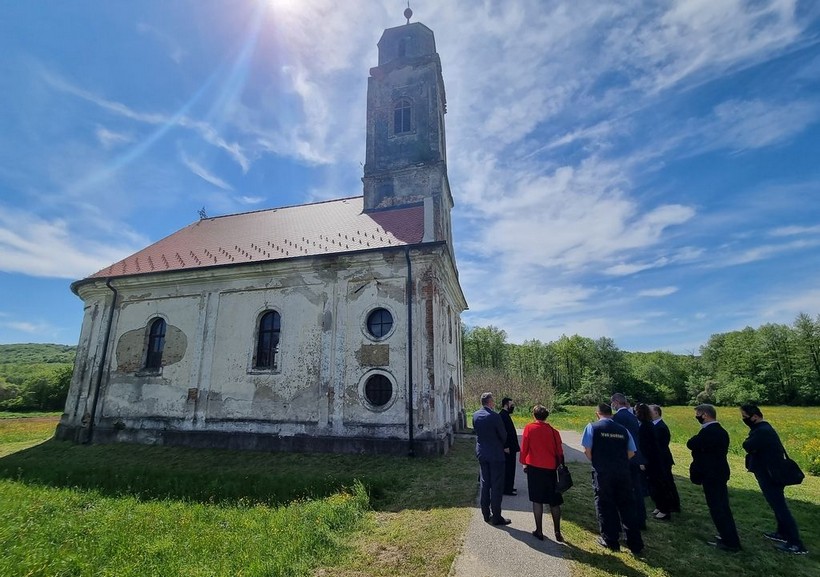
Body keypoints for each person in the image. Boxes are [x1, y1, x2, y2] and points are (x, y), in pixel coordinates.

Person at [740, 404, 808, 554]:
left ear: (755, 416)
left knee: (780, 507)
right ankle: (782, 533)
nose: (743, 419)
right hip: (771, 473)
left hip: (770, 475)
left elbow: (747, 445)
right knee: (777, 505)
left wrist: (750, 445)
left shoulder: (762, 431)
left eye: (745, 416)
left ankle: (795, 543)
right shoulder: (763, 429)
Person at [581, 403, 644, 555]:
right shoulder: (623, 430)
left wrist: (598, 461)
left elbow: (586, 450)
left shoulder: (592, 427)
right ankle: (635, 543)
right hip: (622, 472)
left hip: (603, 473)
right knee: (627, 506)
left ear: (598, 414)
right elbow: (631, 452)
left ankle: (610, 540)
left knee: (604, 505)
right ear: (611, 414)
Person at [686, 404, 741, 552]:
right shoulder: (720, 431)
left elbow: (691, 443)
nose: (696, 416)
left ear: (705, 415)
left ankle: (729, 541)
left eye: (698, 413)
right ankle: (728, 536)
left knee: (718, 508)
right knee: (722, 506)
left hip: (712, 474)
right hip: (719, 472)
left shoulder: (710, 432)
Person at [519, 405, 564, 542]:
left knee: (537, 500)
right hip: (550, 469)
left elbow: (524, 447)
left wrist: (523, 462)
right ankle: (557, 531)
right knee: (554, 502)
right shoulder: (553, 431)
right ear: (546, 416)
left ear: (534, 415)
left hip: (534, 468)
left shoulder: (529, 428)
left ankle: (539, 530)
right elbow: (559, 452)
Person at [472, 392, 511, 526]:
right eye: (493, 401)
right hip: (495, 455)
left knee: (484, 483)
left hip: (482, 453)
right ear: (489, 402)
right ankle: (496, 516)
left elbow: (477, 431)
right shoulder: (494, 416)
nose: (494, 403)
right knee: (496, 486)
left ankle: (485, 513)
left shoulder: (475, 415)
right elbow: (503, 435)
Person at [610, 393, 647, 529]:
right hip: (636, 456)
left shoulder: (618, 418)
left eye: (612, 403)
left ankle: (628, 520)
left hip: (625, 457)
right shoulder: (633, 417)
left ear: (615, 402)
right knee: (637, 489)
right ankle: (641, 519)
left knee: (624, 490)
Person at [649, 404, 681, 520]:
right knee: (656, 484)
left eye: (650, 411)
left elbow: (659, 445)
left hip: (662, 460)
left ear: (656, 413)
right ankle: (660, 505)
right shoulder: (654, 425)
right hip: (657, 459)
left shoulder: (661, 427)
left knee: (665, 484)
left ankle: (670, 506)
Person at [635, 403, 664, 519]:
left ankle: (664, 508)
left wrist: (643, 461)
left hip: (651, 460)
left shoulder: (646, 426)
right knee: (653, 484)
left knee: (657, 484)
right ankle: (659, 505)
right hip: (652, 459)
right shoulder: (648, 425)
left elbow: (646, 446)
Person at [499, 397, 520, 496]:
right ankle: (507, 489)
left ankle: (510, 487)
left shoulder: (506, 415)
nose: (513, 407)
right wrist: (505, 446)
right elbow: (503, 433)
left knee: (511, 468)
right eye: (511, 405)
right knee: (508, 468)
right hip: (508, 447)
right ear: (506, 405)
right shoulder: (502, 416)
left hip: (511, 446)